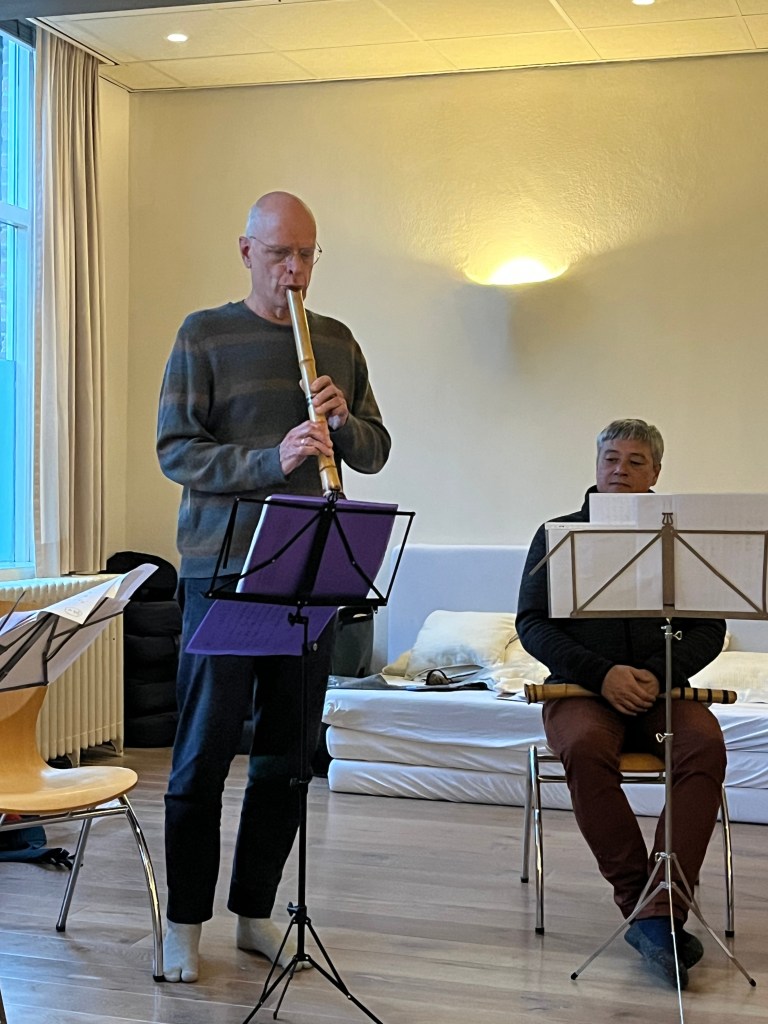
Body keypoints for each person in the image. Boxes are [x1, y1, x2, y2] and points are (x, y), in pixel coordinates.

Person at [156, 191, 391, 983]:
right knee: (202, 754)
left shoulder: (337, 341)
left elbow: (376, 449)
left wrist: (343, 423)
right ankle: (183, 925)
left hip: (307, 572)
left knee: (287, 758)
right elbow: (176, 451)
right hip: (221, 572)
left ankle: (254, 913)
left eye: (306, 254)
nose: (294, 271)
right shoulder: (203, 334)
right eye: (280, 254)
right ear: (246, 252)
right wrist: (273, 459)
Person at [516, 418, 727, 989]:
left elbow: (709, 630)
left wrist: (653, 676)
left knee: (705, 745)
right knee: (585, 746)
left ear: (656, 471)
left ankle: (659, 911)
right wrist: (603, 673)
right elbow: (531, 624)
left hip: (662, 693)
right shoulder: (557, 534)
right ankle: (648, 907)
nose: (620, 470)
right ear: (596, 465)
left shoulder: (684, 540)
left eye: (636, 461)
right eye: (611, 458)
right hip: (581, 691)